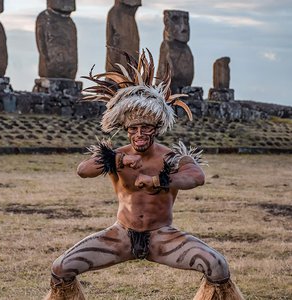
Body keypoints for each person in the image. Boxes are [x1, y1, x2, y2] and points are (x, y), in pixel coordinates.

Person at [44, 50, 244, 300]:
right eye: (133, 129)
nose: (139, 134)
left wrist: (159, 180)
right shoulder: (115, 156)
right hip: (121, 236)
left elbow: (196, 176)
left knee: (218, 266)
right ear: (127, 130)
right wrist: (117, 159)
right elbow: (82, 170)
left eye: (145, 128)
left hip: (162, 237)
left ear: (156, 128)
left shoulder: (170, 158)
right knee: (61, 268)